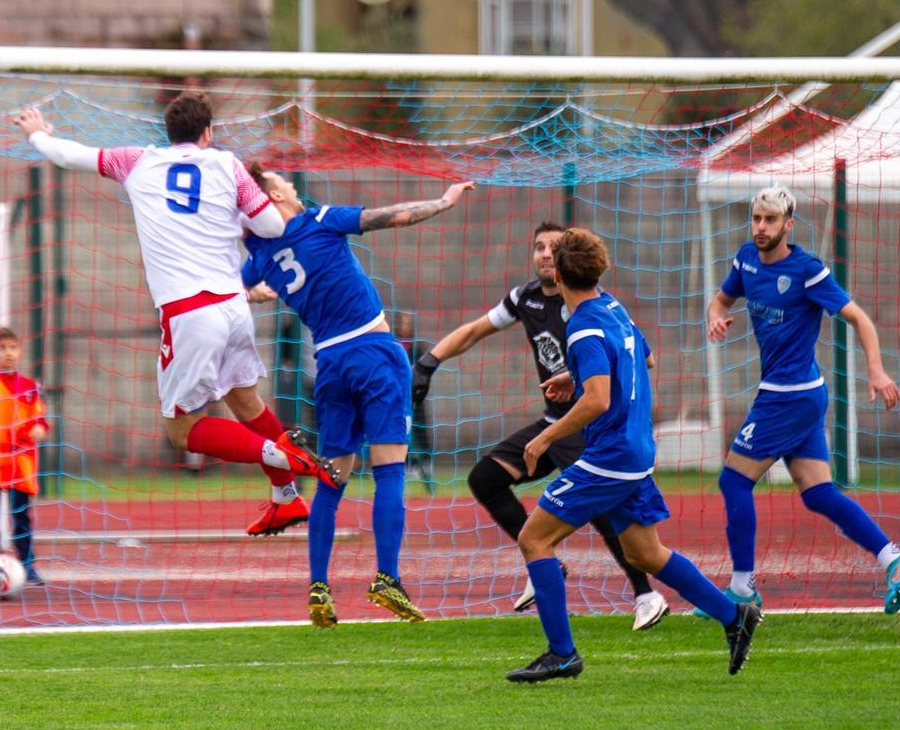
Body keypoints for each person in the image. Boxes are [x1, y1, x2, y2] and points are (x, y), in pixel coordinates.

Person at [16, 97, 337, 538]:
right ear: (208, 133)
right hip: (233, 305)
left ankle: (286, 457)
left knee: (181, 430)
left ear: (167, 132)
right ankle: (287, 498)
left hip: (189, 312)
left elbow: (69, 156)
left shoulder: (137, 162)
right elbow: (273, 229)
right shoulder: (227, 165)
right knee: (246, 400)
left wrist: (37, 133)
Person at [507, 228, 761, 683]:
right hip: (638, 450)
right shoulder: (613, 308)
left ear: (560, 275)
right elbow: (643, 358)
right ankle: (733, 615)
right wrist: (576, 372)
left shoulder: (582, 324)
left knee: (534, 540)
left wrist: (546, 437)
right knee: (645, 553)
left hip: (610, 455)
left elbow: (598, 401)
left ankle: (562, 654)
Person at [242, 167, 474, 626]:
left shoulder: (259, 253)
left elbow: (232, 287)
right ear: (274, 194)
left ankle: (319, 589)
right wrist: (444, 202)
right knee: (390, 471)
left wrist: (256, 294)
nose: (291, 183)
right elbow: (392, 217)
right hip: (373, 351)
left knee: (333, 478)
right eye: (282, 181)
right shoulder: (320, 219)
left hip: (328, 364)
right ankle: (386, 578)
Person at [413, 222, 670, 631]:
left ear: (568, 260)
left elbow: (644, 357)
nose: (545, 254)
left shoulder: (594, 304)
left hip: (586, 424)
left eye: (553, 247)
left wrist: (586, 377)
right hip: (553, 421)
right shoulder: (524, 299)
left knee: (605, 510)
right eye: (538, 247)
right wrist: (429, 362)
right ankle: (547, 566)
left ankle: (645, 594)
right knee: (485, 478)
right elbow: (474, 331)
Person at [704, 185, 900, 614]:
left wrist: (875, 370)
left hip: (789, 396)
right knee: (818, 493)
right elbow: (721, 298)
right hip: (798, 395)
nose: (761, 227)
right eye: (756, 218)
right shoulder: (746, 259)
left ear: (789, 224)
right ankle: (894, 559)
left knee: (733, 480)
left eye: (770, 220)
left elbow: (859, 318)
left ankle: (742, 590)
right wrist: (715, 317)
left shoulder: (807, 270)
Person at [0, 326, 51, 586]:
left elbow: (40, 418)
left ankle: (27, 565)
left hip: (21, 463)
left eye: (12, 347)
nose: (8, 353)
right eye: (2, 348)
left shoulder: (29, 386)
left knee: (21, 517)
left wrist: (40, 427)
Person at [394, 312, 434, 492]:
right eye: (403, 323)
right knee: (401, 429)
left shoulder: (417, 349)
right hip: (397, 398)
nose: (406, 326)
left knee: (419, 428)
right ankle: (407, 464)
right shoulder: (393, 346)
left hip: (414, 396)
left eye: (409, 323)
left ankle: (425, 464)